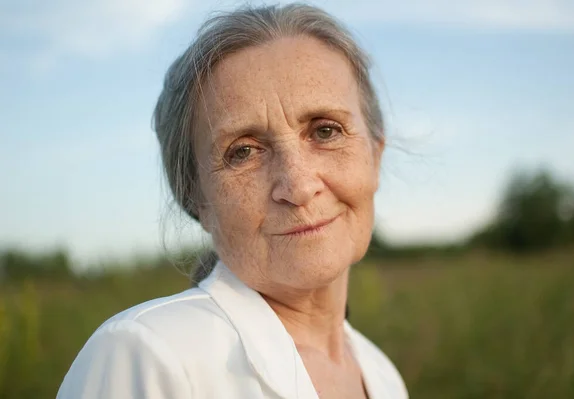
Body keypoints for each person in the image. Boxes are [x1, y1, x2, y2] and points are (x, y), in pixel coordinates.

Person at [57, 3, 409, 398]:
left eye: (326, 131)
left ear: (375, 156)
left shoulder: (381, 374)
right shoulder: (146, 354)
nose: (298, 186)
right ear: (196, 197)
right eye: (243, 151)